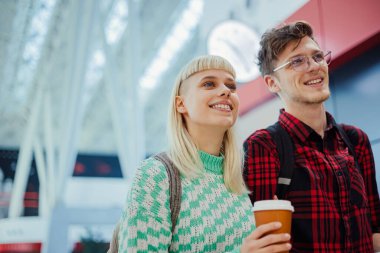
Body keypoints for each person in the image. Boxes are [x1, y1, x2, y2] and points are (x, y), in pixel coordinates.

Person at [114, 55, 292, 252]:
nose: (226, 91)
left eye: (231, 86)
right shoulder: (155, 175)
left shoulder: (238, 179)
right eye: (209, 84)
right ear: (180, 104)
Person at [243, 21, 380, 252]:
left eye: (317, 57)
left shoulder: (356, 140)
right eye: (297, 61)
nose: (314, 66)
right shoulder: (264, 147)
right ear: (272, 83)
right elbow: (267, 244)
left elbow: (373, 230)